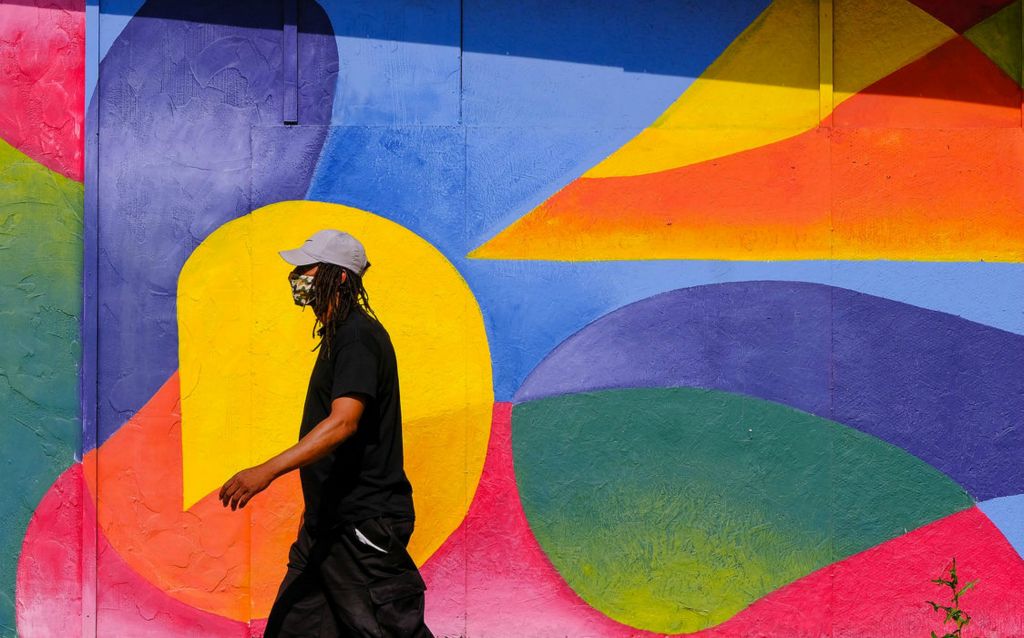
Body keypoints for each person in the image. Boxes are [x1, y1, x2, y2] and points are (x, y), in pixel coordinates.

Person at [217, 229, 433, 637]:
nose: (297, 276)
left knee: (388, 631)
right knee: (292, 629)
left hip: (361, 525)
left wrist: (265, 471)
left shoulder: (358, 337)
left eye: (307, 269)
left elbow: (344, 421)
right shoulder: (339, 337)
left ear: (341, 278)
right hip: (326, 525)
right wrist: (315, 505)